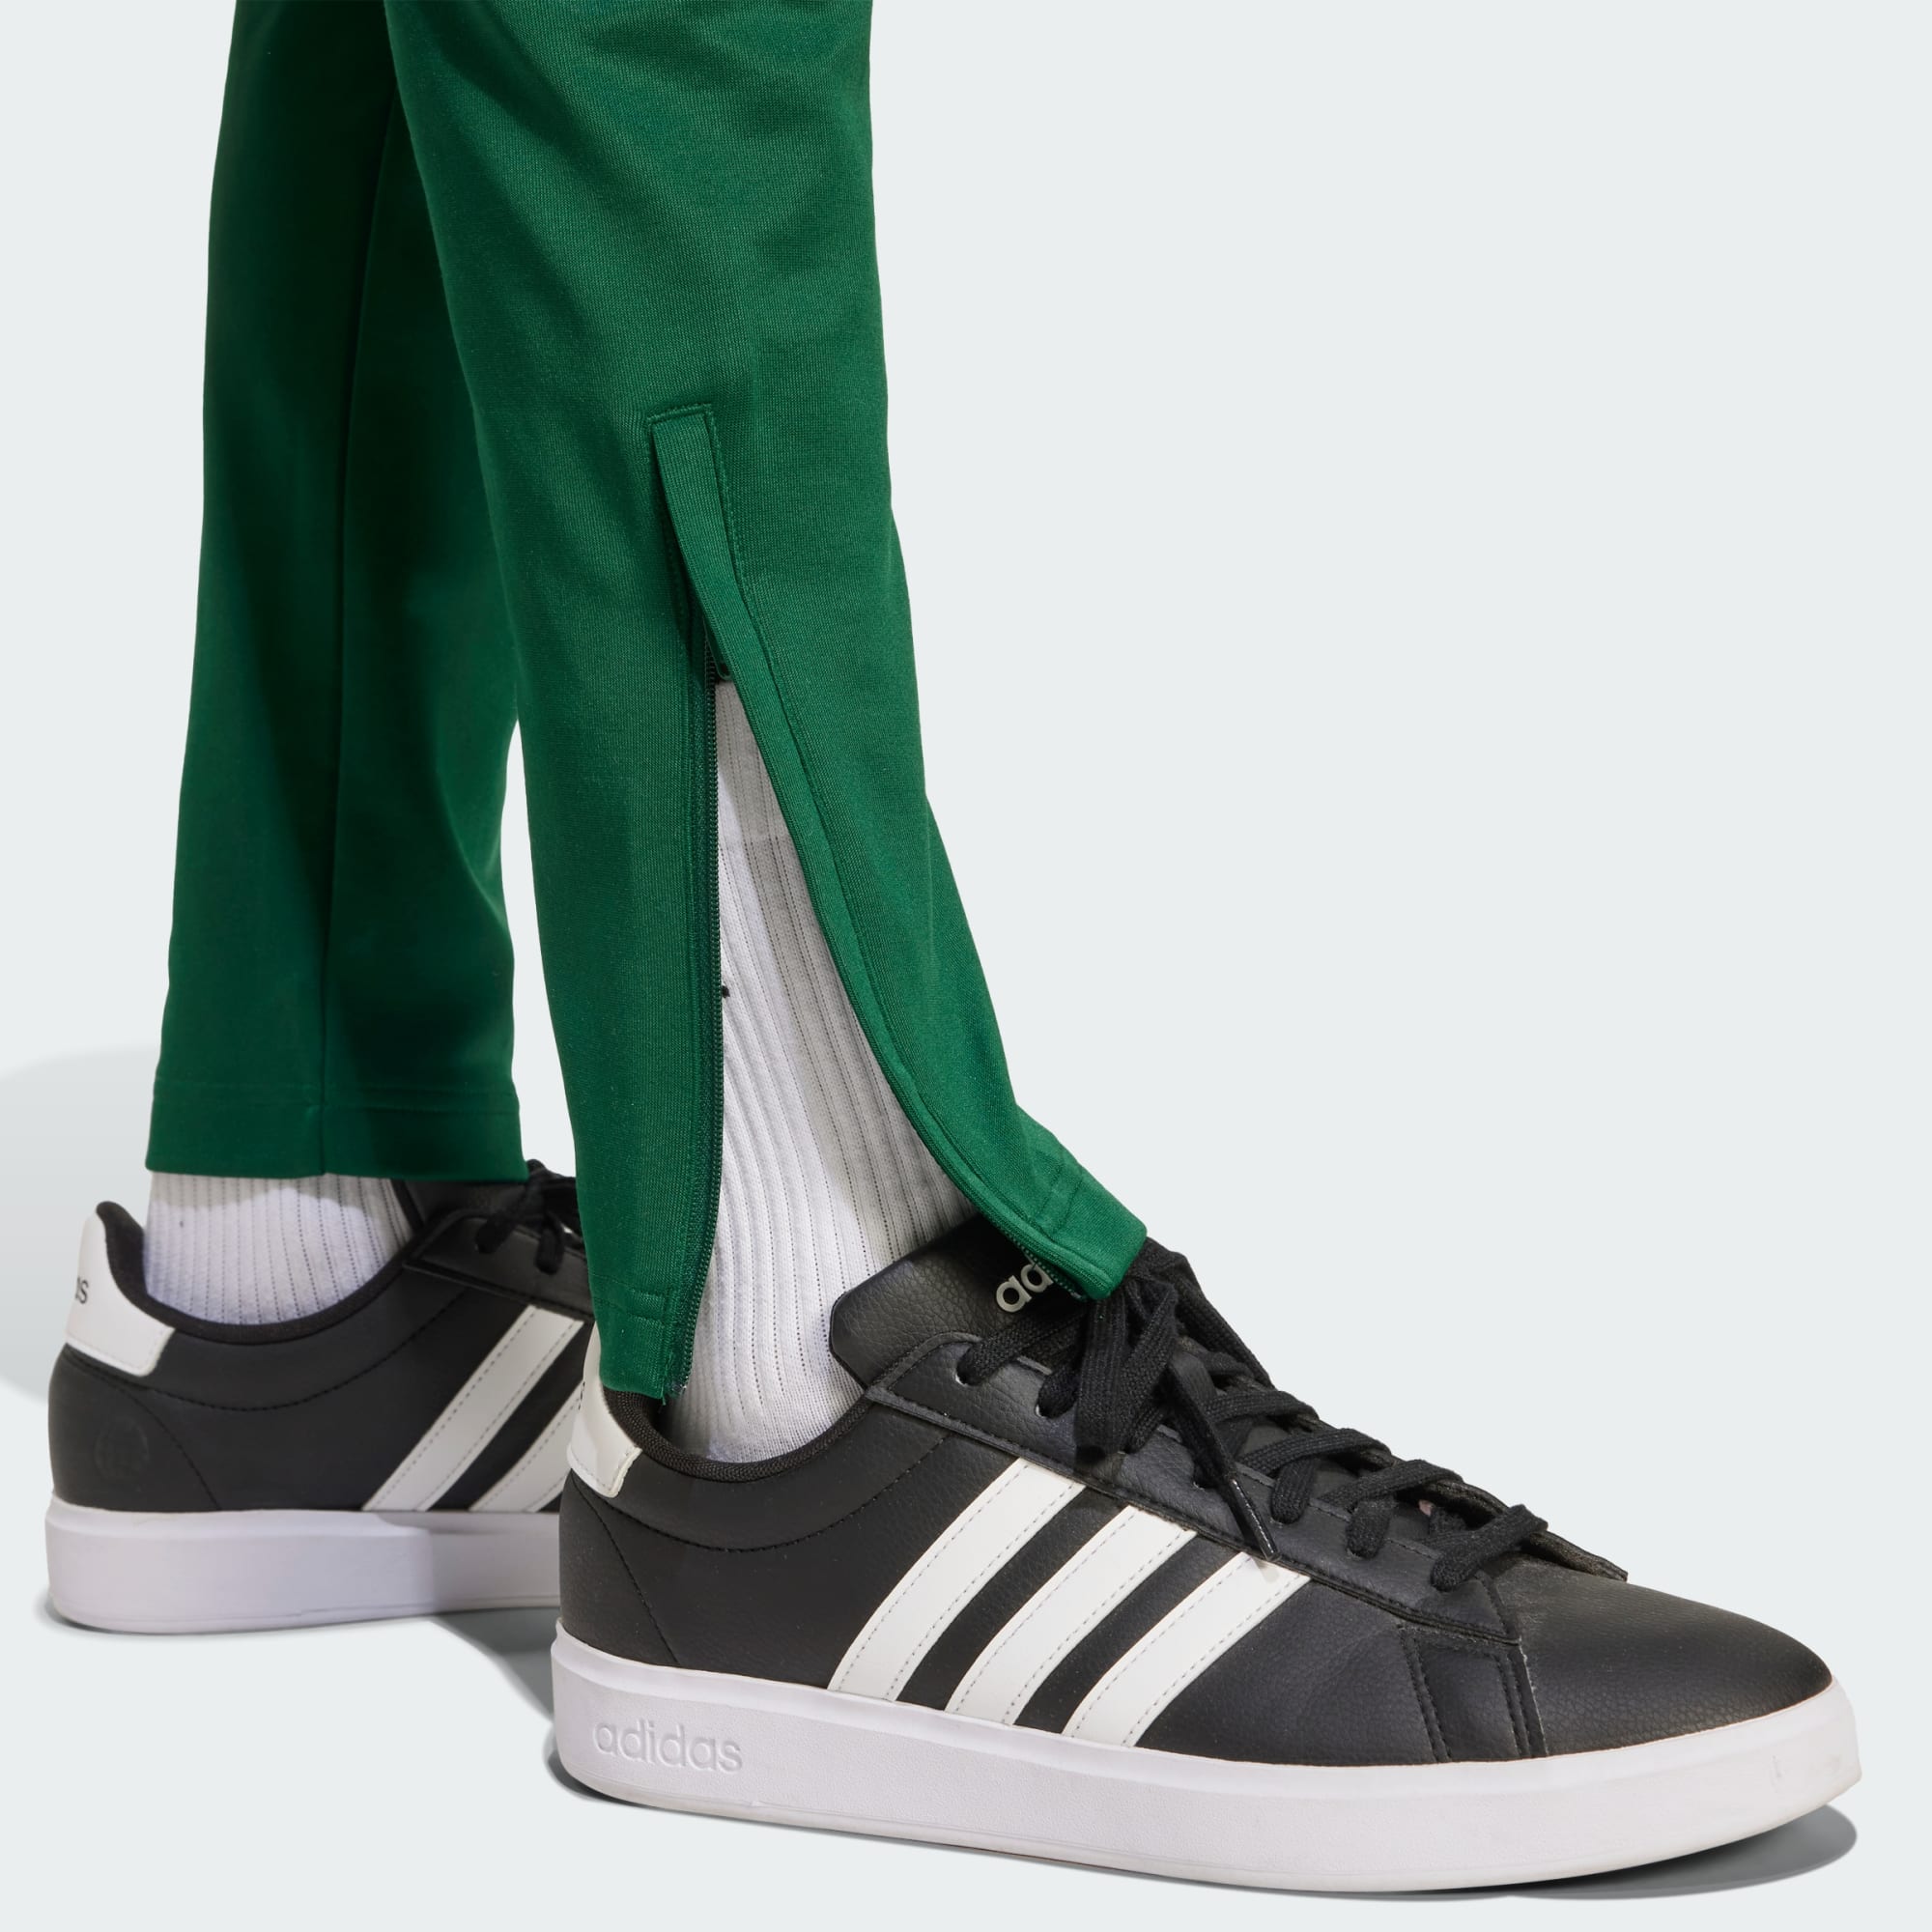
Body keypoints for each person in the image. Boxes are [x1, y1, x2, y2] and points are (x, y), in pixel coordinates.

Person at [43, 1, 1855, 1889]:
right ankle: (808, 1351)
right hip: (804, 1441)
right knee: (663, 40)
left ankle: (305, 1251)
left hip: (312, 1286)